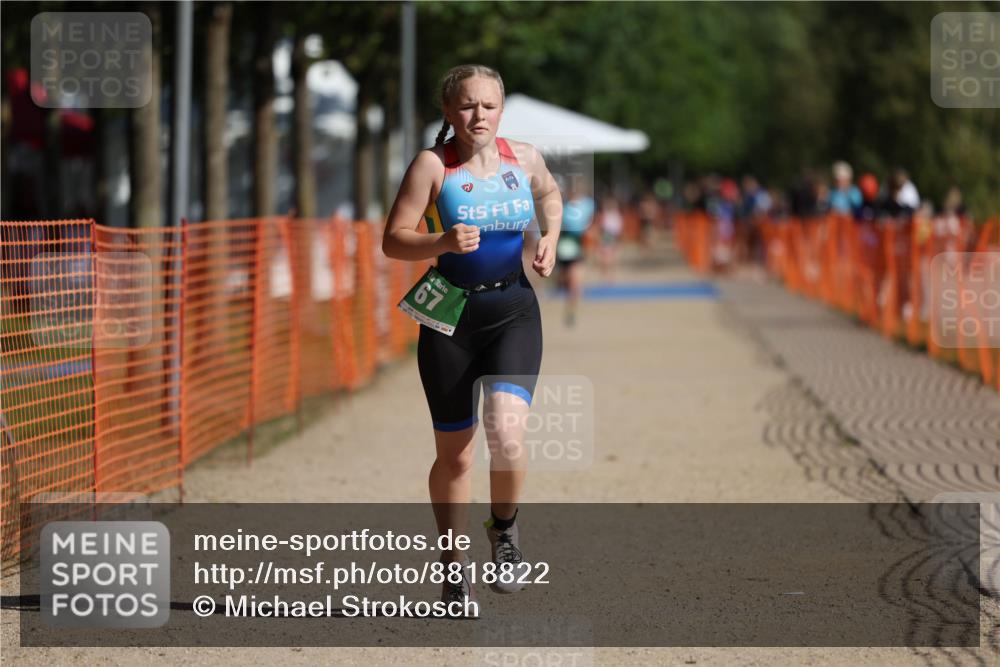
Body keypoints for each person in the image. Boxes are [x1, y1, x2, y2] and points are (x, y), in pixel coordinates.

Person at [382, 64, 562, 614]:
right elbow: (393, 241)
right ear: (448, 111)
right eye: (466, 106)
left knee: (507, 436)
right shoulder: (433, 166)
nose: (477, 115)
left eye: (487, 105)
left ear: (501, 110)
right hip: (449, 318)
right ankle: (453, 573)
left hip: (512, 308)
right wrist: (440, 239)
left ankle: (504, 535)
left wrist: (550, 236)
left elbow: (550, 194)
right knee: (456, 458)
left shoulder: (524, 158)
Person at [555, 182, 595, 326]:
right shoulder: (562, 208)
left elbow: (592, 223)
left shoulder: (587, 205)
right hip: (563, 247)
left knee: (575, 281)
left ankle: (571, 310)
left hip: (578, 246)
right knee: (564, 281)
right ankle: (564, 287)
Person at [598, 195, 624, 281]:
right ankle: (605, 273)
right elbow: (601, 226)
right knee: (606, 256)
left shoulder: (616, 215)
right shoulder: (605, 215)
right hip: (607, 235)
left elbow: (619, 228)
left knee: (611, 256)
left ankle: (610, 274)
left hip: (612, 236)